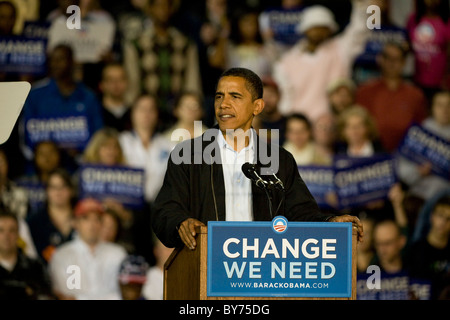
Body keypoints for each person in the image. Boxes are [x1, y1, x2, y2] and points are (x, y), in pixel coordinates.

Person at [152, 67, 363, 250]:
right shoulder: (188, 155)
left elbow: (301, 213)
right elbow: (164, 211)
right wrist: (181, 223)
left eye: (234, 96)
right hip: (206, 268)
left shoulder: (279, 159)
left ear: (257, 106)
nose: (223, 104)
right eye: (219, 96)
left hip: (261, 273)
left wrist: (330, 222)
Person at [273, 0, 370, 122]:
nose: (318, 32)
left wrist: (362, 6)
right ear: (305, 30)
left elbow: (360, 31)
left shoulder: (340, 50)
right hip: (299, 126)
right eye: (314, 28)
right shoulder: (287, 61)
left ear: (330, 31)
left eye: (323, 28)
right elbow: (286, 98)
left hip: (332, 125)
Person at [20, 44, 104, 163]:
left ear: (72, 62)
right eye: (52, 60)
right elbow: (25, 136)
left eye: (60, 59)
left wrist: (80, 152)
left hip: (79, 166)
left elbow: (98, 135)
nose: (55, 64)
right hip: (42, 168)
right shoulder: (35, 95)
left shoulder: (88, 96)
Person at [123, 0, 202, 119]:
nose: (163, 10)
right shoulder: (137, 45)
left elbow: (192, 81)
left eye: (167, 6)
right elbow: (133, 82)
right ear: (150, 9)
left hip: (178, 111)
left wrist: (192, 107)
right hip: (147, 112)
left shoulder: (185, 44)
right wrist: (134, 110)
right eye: (158, 6)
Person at [48, 198, 127, 300]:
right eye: (86, 218)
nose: (92, 224)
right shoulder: (62, 255)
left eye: (97, 219)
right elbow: (65, 296)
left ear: (102, 223)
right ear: (75, 223)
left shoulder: (118, 254)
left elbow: (125, 293)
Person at [355, 42, 428, 152]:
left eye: (397, 59)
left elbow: (421, 130)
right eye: (388, 58)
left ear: (403, 62)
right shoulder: (365, 91)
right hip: (371, 155)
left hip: (405, 154)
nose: (392, 63)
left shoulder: (415, 95)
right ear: (380, 59)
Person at [395, 90, 450, 201]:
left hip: (446, 199)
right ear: (432, 108)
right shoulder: (416, 133)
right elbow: (399, 168)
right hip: (416, 195)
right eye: (440, 105)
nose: (445, 110)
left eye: (448, 105)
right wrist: (417, 172)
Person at [119, 94, 173, 204]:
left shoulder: (168, 145)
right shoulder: (121, 142)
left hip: (159, 207)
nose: (146, 114)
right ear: (132, 113)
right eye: (142, 109)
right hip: (127, 205)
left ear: (157, 114)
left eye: (151, 109)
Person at [0, 208, 53, 300]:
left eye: (12, 230)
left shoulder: (35, 267)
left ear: (18, 234)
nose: (6, 236)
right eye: (1, 230)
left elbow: (46, 296)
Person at [27, 168, 76, 264]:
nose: (58, 192)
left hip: (79, 274)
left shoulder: (83, 217)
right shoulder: (34, 221)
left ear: (71, 190)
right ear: (47, 191)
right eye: (53, 187)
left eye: (63, 187)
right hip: (45, 275)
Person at [406, 0, 450, 103]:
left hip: (441, 82)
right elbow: (407, 46)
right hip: (417, 79)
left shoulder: (446, 21)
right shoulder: (413, 19)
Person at [408, 195, 450, 299]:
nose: (443, 222)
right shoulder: (416, 251)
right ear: (432, 216)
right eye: (440, 215)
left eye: (449, 218)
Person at [98, 63, 132, 132]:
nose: (116, 84)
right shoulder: (96, 113)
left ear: (127, 82)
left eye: (120, 79)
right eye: (110, 80)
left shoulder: (134, 114)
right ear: (102, 85)